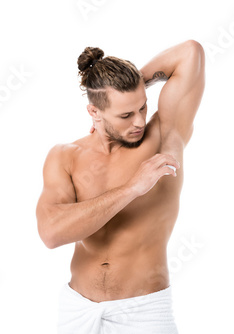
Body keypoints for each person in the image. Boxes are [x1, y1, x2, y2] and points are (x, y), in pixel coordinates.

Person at [36, 39, 205, 333]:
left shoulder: (164, 135)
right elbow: (51, 233)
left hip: (144, 313)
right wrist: (132, 188)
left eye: (142, 107)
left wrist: (122, 88)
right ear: (94, 112)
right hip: (78, 311)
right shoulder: (65, 156)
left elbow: (190, 52)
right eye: (126, 115)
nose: (139, 121)